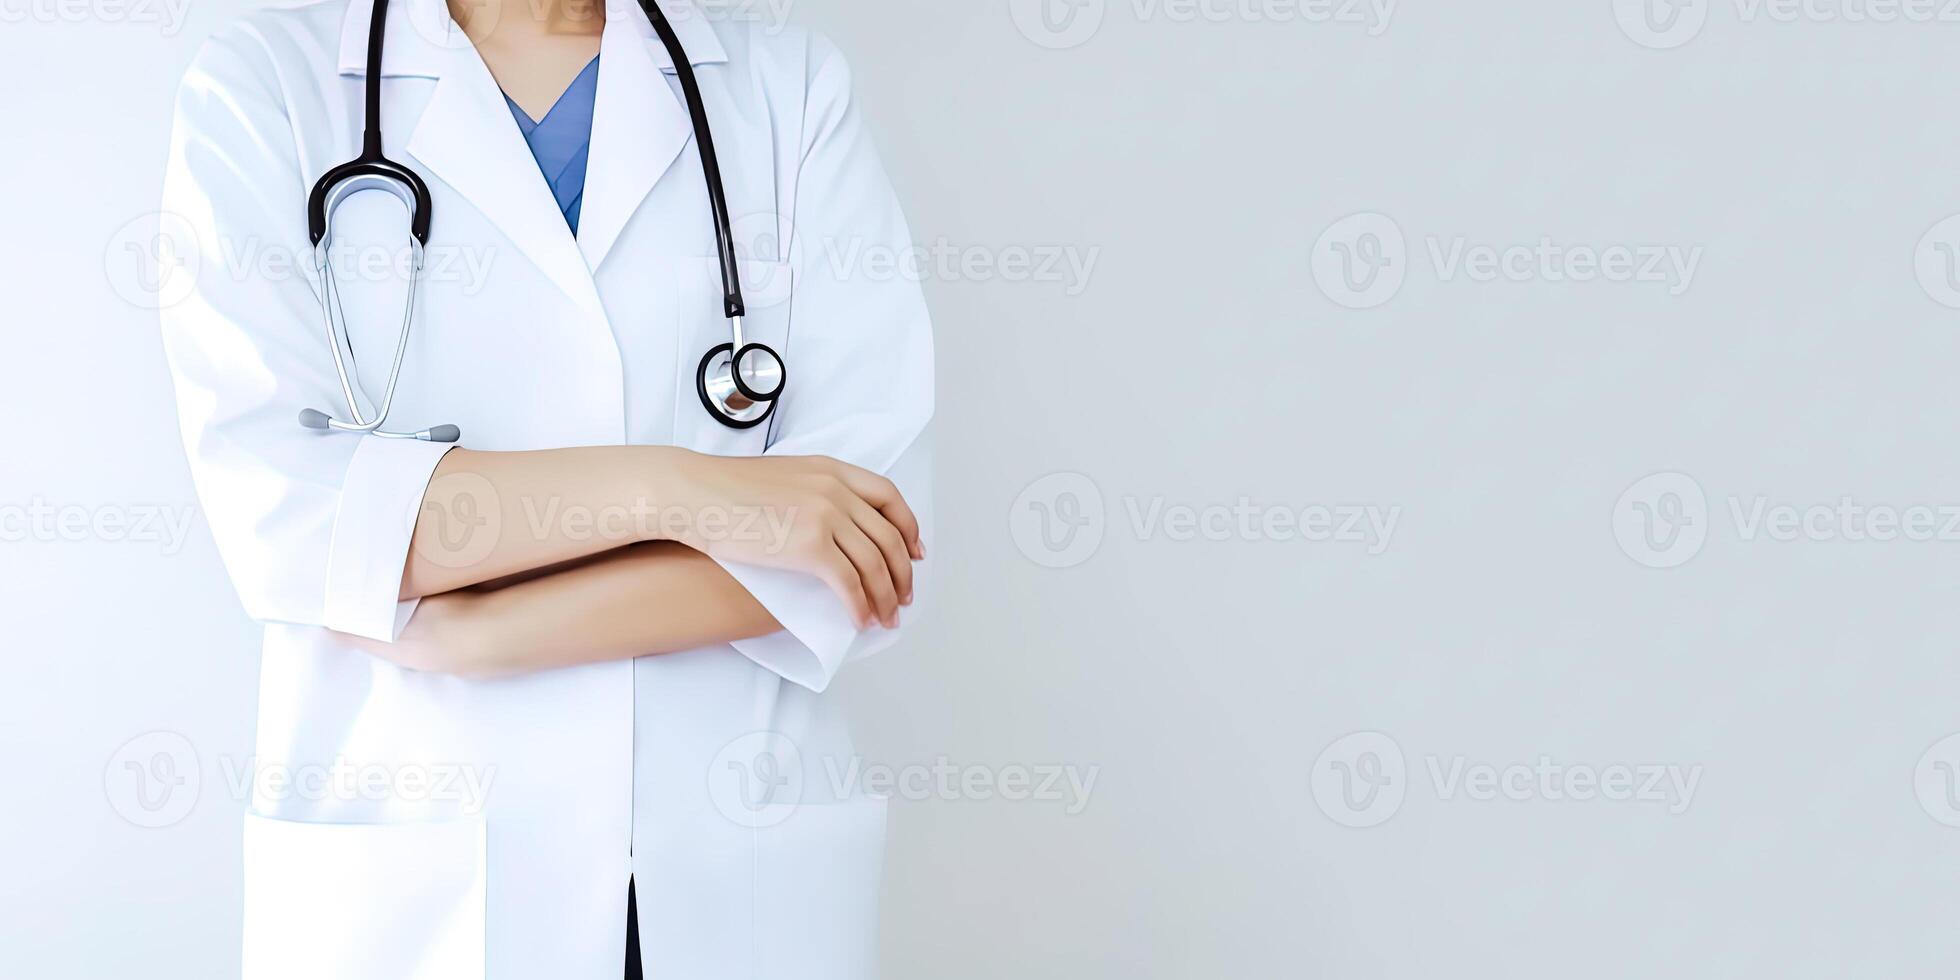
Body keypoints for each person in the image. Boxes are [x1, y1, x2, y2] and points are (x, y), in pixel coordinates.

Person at [157, 0, 933, 974]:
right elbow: (290, 518)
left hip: (729, 863)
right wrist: (685, 490)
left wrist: (484, 631)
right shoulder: (269, 82)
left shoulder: (784, 87)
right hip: (413, 871)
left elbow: (867, 537)